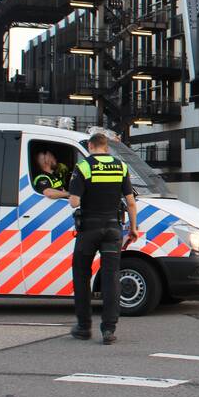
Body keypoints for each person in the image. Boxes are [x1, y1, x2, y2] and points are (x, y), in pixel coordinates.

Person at [68, 132, 138, 345]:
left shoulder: (83, 166)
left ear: (90, 146)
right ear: (106, 147)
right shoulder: (121, 167)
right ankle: (109, 329)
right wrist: (133, 228)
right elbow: (131, 202)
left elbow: (74, 202)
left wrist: (68, 192)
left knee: (81, 275)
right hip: (113, 230)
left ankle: (83, 327)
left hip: (89, 230)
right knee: (111, 277)